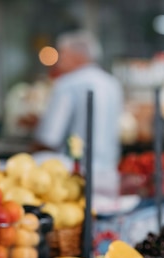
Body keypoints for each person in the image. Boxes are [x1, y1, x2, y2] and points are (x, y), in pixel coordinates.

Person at [31, 29, 123, 188]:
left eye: (62, 54)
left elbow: (49, 138)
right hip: (109, 175)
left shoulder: (67, 84)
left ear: (75, 55)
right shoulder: (112, 84)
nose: (58, 60)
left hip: (74, 178)